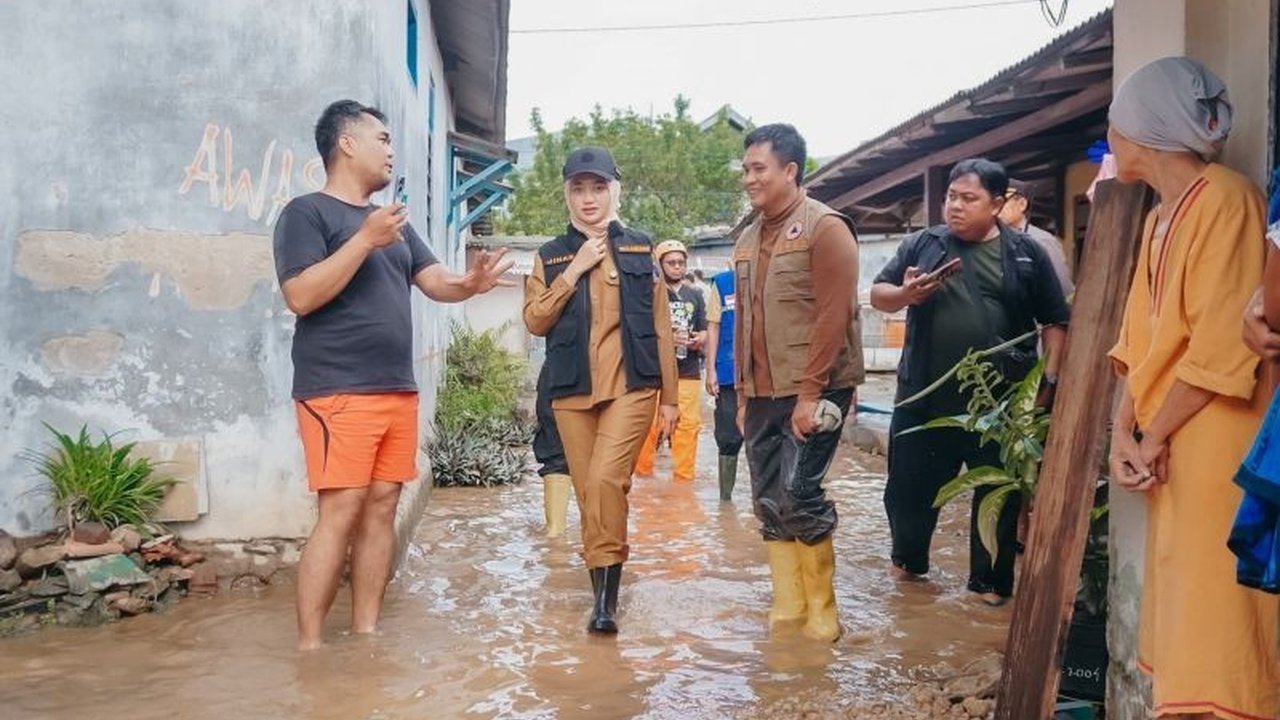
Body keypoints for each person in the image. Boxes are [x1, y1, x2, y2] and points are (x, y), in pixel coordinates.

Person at [273, 100, 512, 650]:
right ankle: (309, 649)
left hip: (396, 390)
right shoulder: (307, 214)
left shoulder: (394, 225)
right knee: (341, 510)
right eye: (381, 138)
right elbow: (300, 295)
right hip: (336, 389)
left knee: (383, 507)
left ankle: (366, 636)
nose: (389, 149)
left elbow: (436, 283)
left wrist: (470, 284)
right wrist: (362, 239)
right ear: (347, 143)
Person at [1105, 57, 1278, 719]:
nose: (1112, 143)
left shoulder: (1229, 200)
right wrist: (1125, 431)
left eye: (1117, 131)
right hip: (1170, 441)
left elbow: (1219, 349)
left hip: (1216, 443)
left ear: (1146, 137)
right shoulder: (1157, 218)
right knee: (1185, 608)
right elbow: (1135, 342)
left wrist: (1151, 434)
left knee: (1221, 620)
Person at [870, 158, 1069, 606]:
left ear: (998, 204)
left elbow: (1055, 321)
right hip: (923, 404)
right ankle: (909, 582)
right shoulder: (924, 244)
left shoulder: (1025, 254)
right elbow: (879, 295)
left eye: (969, 198)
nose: (955, 207)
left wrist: (1047, 383)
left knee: (996, 503)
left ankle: (987, 594)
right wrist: (907, 295)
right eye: (951, 197)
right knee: (907, 499)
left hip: (997, 408)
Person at [523, 146, 679, 635]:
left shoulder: (639, 247)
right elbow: (534, 319)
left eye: (598, 187)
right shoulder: (550, 256)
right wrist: (573, 272)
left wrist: (671, 399)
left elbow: (660, 328)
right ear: (566, 193)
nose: (588, 198)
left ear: (616, 188)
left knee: (606, 481)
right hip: (571, 391)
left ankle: (605, 607)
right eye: (578, 188)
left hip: (632, 387)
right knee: (591, 495)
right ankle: (603, 589)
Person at [735, 123, 863, 642]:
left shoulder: (824, 227)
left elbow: (834, 315)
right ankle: (788, 610)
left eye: (758, 168)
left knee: (798, 493)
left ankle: (824, 615)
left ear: (790, 170)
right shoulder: (746, 238)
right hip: (761, 393)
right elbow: (744, 321)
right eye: (744, 169)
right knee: (767, 501)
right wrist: (742, 395)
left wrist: (811, 393)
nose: (748, 178)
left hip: (815, 389)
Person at [635, 241, 707, 483]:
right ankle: (642, 481)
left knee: (687, 428)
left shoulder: (695, 294)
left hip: (687, 370)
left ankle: (684, 483)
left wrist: (700, 338)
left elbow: (705, 330)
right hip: (654, 372)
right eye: (671, 263)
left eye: (681, 263)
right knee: (649, 428)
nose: (677, 267)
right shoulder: (649, 294)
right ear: (660, 264)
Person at [704, 264, 744, 501]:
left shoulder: (772, 275)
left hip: (765, 372)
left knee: (765, 437)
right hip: (729, 371)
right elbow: (713, 326)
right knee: (728, 435)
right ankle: (725, 499)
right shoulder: (723, 283)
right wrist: (711, 370)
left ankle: (765, 499)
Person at [998, 178, 1075, 297]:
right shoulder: (995, 239)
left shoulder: (1041, 240)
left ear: (1022, 204)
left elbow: (1063, 289)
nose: (997, 208)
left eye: (1003, 202)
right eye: (994, 203)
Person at [533, 363, 572, 538]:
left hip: (564, 364)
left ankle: (555, 540)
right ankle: (556, 538)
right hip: (562, 364)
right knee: (555, 451)